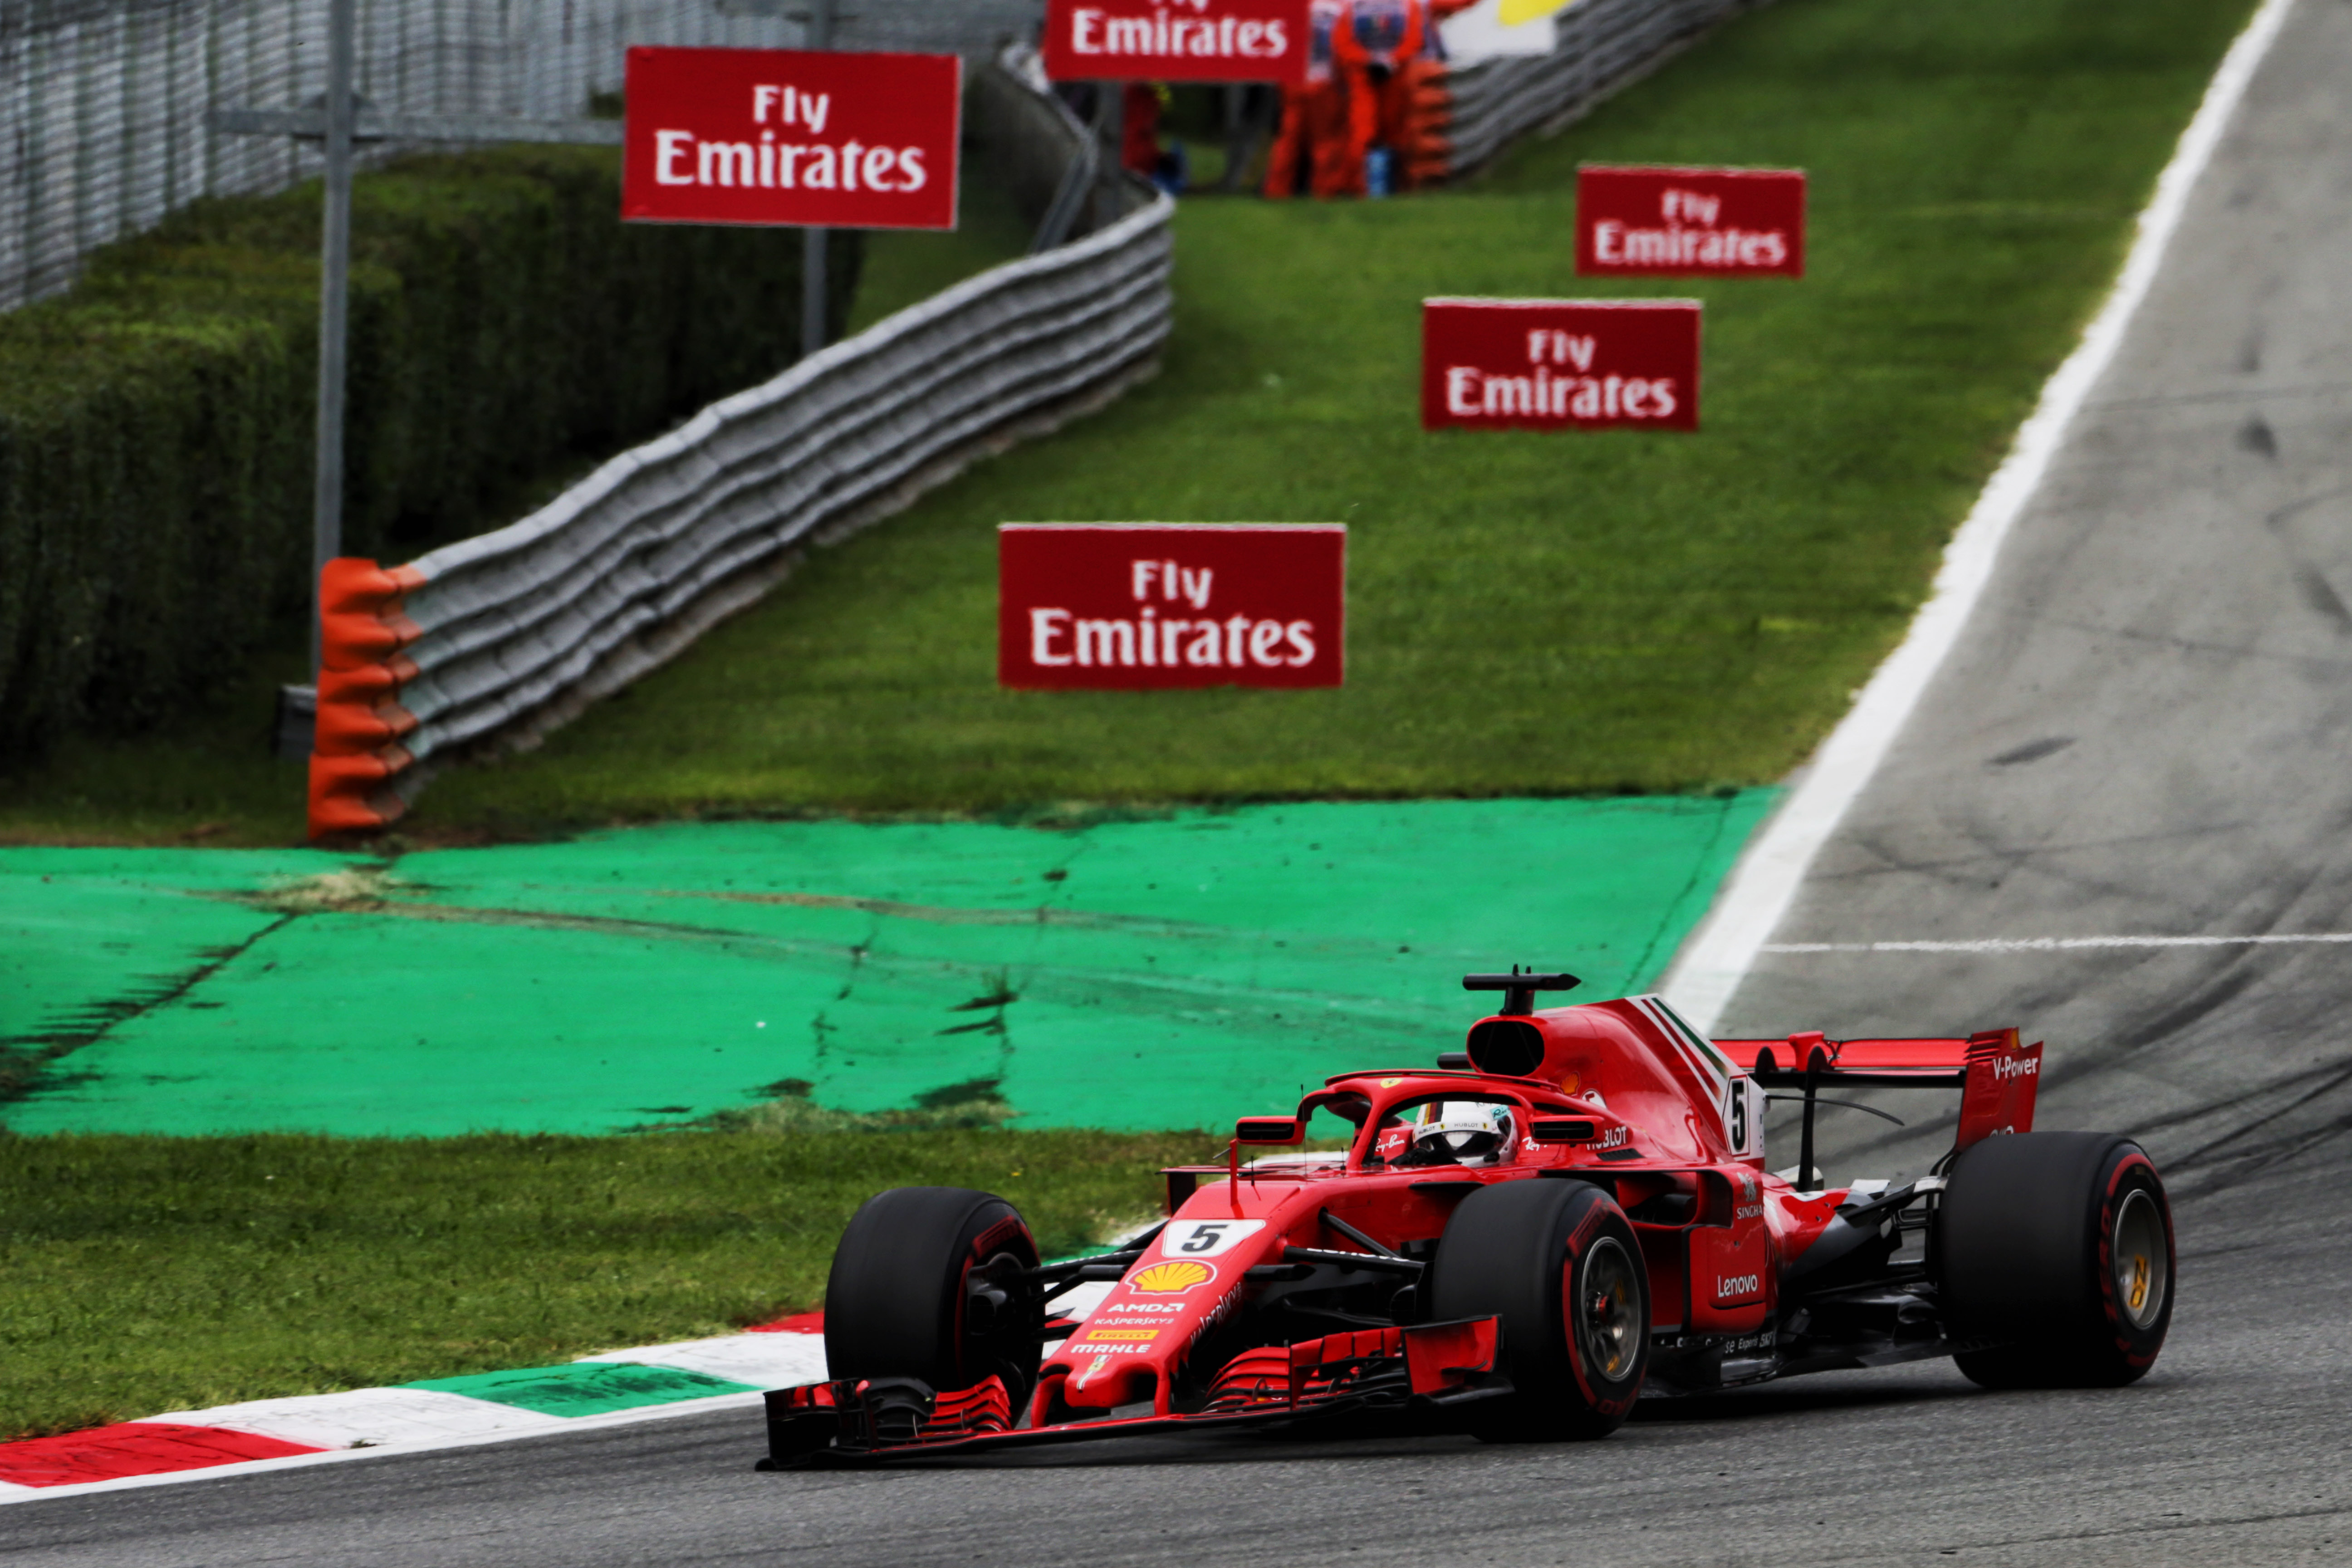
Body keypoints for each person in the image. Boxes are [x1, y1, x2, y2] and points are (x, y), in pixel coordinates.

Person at [1263, 0, 1353, 198]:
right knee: (1325, 140)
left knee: (1288, 139)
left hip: (1293, 81)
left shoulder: (1290, 6)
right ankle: (1325, 189)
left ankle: (1277, 189)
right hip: (1324, 80)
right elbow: (1342, 48)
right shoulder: (1340, 8)